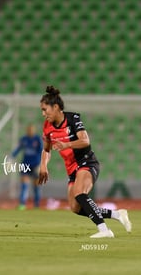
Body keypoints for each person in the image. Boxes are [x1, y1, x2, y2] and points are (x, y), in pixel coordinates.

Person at [38, 86, 132, 238]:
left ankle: (104, 231)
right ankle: (117, 215)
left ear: (55, 107)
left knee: (80, 193)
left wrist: (67, 144)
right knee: (75, 207)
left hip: (86, 163)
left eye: (45, 109)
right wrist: (43, 165)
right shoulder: (47, 126)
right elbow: (47, 150)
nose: (43, 114)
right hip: (71, 170)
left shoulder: (72, 119)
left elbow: (85, 141)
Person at [11, 124, 42, 210]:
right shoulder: (23, 139)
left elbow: (42, 152)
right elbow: (18, 149)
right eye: (29, 129)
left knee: (36, 185)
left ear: (34, 130)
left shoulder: (38, 139)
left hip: (36, 165)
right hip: (25, 165)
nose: (30, 131)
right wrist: (11, 157)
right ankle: (22, 204)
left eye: (32, 129)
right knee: (24, 184)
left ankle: (36, 204)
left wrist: (41, 165)